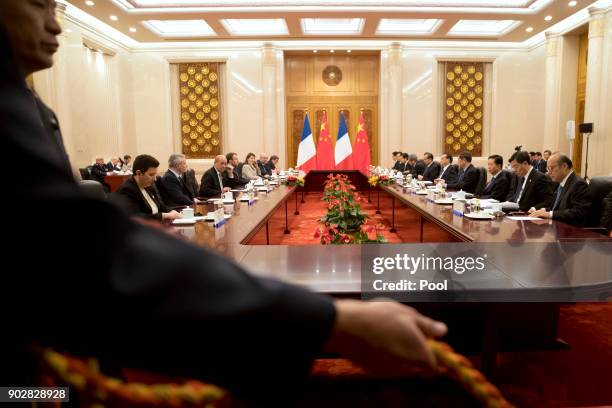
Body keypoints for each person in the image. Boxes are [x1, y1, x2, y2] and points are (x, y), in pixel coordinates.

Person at [0, 2, 448, 401]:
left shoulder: (25, 98)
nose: (56, 24)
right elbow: (78, 249)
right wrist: (328, 322)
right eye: (41, 5)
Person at [114, 154, 182, 222]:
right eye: (151, 175)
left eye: (155, 174)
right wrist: (164, 215)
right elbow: (136, 217)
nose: (155, 179)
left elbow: (161, 207)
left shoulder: (148, 185)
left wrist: (172, 211)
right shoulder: (127, 190)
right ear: (139, 173)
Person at [529, 153, 590, 226]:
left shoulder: (578, 184)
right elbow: (556, 208)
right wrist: (543, 210)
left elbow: (578, 212)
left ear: (564, 166)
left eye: (551, 168)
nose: (549, 172)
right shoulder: (560, 183)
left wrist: (550, 214)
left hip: (571, 231)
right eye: (548, 169)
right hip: (557, 227)